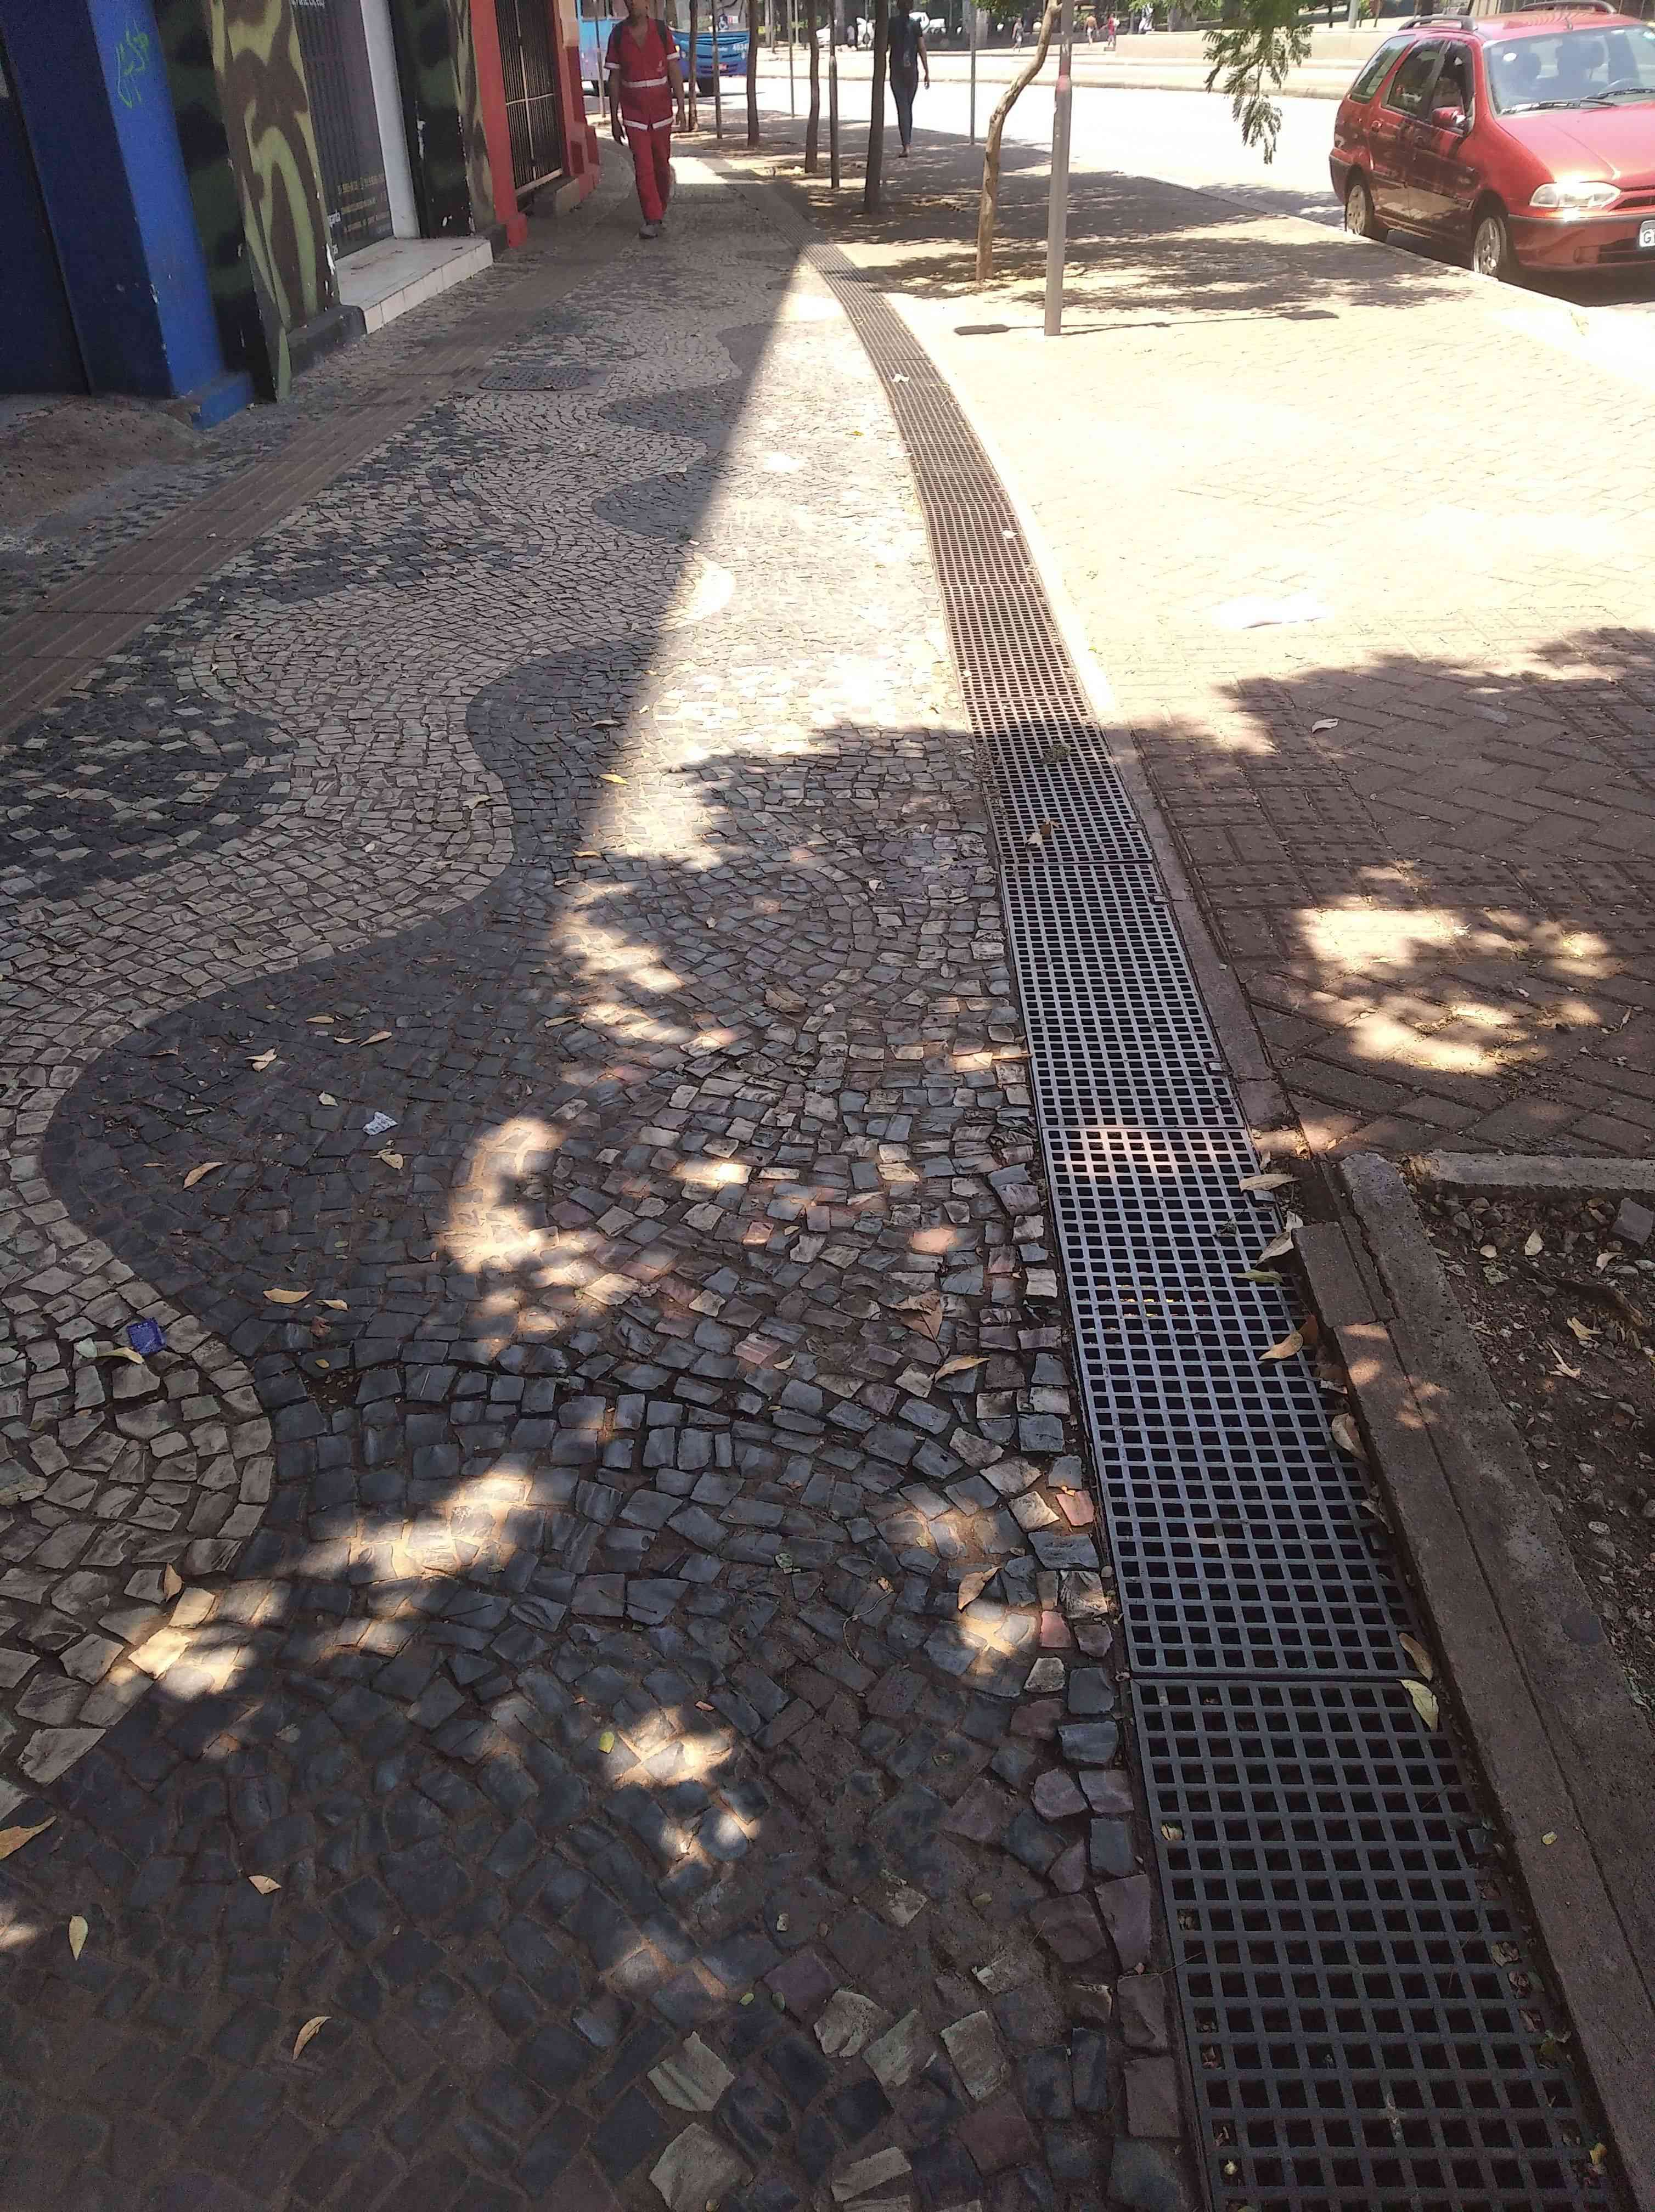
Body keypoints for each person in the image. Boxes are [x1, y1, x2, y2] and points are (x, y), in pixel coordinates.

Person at [606, 0, 686, 240]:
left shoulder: (661, 31)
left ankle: (659, 209)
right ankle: (652, 218)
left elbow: (674, 69)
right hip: (634, 115)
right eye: (628, 0)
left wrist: (682, 107)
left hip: (661, 112)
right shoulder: (618, 35)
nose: (633, 3)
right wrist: (614, 118)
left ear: (647, 4)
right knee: (643, 166)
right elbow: (614, 78)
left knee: (662, 165)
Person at [887, 0, 930, 156]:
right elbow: (922, 48)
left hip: (896, 71)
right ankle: (907, 142)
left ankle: (906, 145)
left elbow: (883, 47)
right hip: (912, 71)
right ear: (911, 8)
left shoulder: (891, 24)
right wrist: (927, 71)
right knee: (908, 107)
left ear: (897, 7)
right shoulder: (915, 25)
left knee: (902, 108)